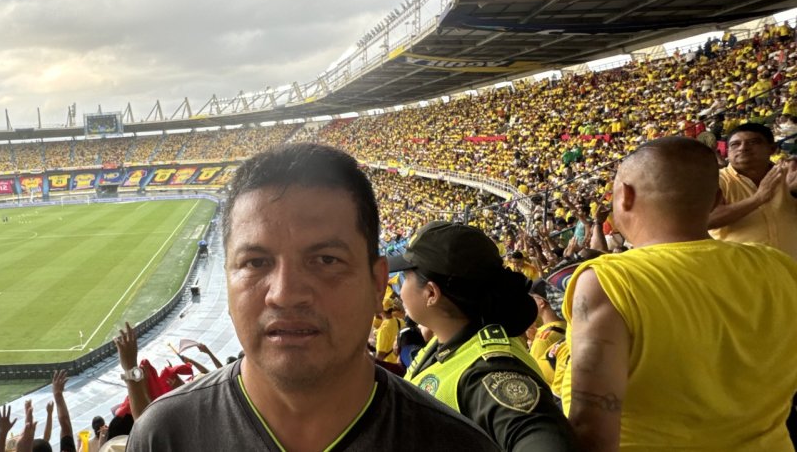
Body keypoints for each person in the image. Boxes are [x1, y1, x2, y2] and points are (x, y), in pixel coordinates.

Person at [127, 143, 498, 451]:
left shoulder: (460, 446)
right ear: (226, 282)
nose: (285, 294)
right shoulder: (162, 438)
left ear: (377, 283)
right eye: (256, 262)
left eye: (326, 260)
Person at [563, 137, 797, 451]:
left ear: (625, 196)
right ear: (716, 200)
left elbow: (591, 430)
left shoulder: (610, 281)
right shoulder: (780, 268)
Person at [393, 222, 579, 451]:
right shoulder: (447, 340)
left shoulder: (490, 371)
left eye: (404, 278)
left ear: (431, 293)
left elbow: (543, 438)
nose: (399, 290)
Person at [707, 122, 797, 259]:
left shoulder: (790, 175)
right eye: (735, 144)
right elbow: (706, 220)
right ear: (728, 152)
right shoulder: (715, 179)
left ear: (772, 149)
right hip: (741, 273)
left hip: (790, 268)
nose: (743, 148)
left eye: (753, 142)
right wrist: (758, 198)